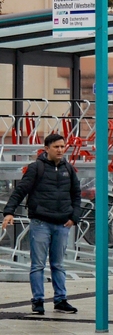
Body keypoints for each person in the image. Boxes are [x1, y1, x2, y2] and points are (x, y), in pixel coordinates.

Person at [2, 133, 81, 315]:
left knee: (58, 264)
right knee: (38, 264)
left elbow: (76, 195)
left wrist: (74, 217)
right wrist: (9, 212)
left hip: (62, 224)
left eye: (63, 146)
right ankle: (38, 300)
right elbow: (20, 190)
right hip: (41, 223)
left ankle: (60, 300)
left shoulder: (68, 169)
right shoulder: (36, 168)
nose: (61, 150)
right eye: (56, 147)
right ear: (47, 149)